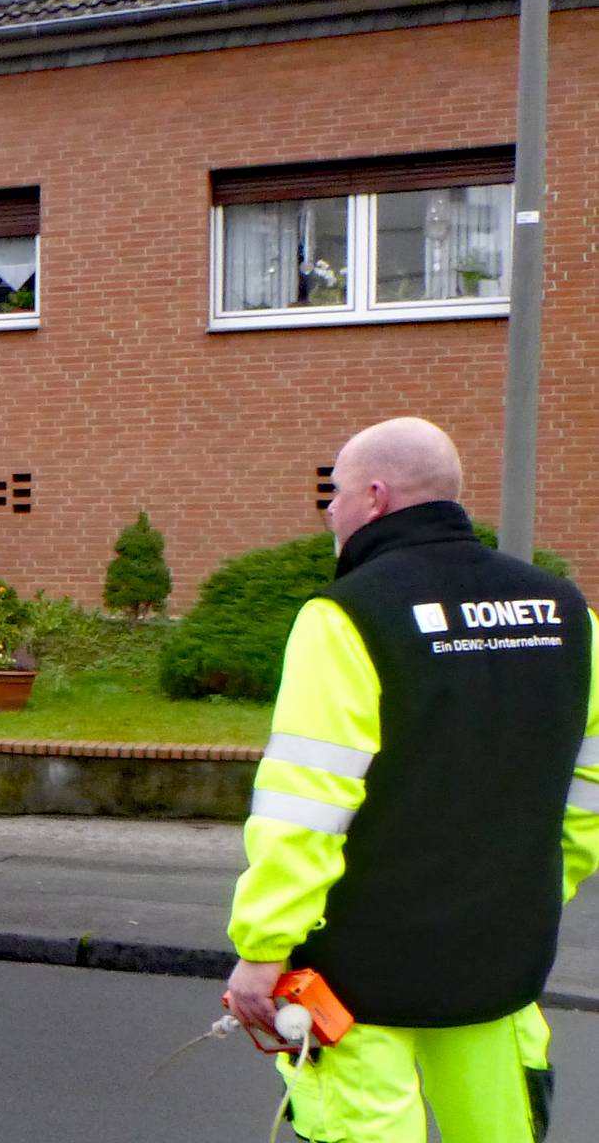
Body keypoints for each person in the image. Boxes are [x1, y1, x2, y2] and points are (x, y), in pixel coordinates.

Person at [224, 417, 599, 1141]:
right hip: (502, 958)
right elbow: (589, 787)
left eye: (334, 495)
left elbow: (305, 807)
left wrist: (264, 946)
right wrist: (540, 888)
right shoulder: (569, 613)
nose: (330, 512)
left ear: (374, 496)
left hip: (360, 975)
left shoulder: (348, 615)